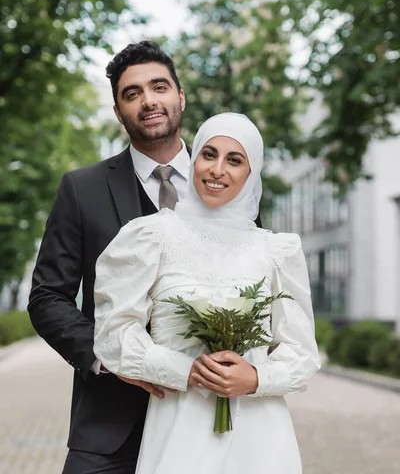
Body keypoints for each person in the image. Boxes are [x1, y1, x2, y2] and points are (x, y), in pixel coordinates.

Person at [94, 112, 321, 474]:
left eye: (235, 160)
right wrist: (185, 371)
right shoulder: (152, 237)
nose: (218, 169)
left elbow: (303, 356)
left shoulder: (278, 252)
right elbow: (114, 335)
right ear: (194, 158)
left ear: (251, 173)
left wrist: (257, 378)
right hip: (178, 427)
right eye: (209, 154)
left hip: (261, 435)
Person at [28, 40, 192, 473]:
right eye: (131, 93)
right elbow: (47, 298)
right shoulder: (82, 189)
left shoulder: (230, 184)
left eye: (159, 86)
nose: (148, 100)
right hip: (107, 428)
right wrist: (110, 359)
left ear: (180, 96)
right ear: (119, 112)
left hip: (205, 419)